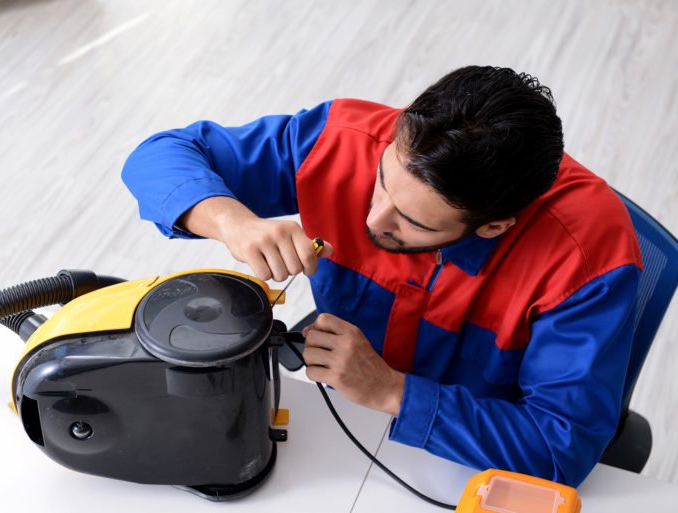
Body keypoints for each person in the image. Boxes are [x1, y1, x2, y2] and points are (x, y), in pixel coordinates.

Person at [121, 66, 642, 487]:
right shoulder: (343, 140)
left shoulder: (589, 260)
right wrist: (233, 221)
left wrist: (393, 392)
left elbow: (559, 448)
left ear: (493, 226)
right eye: (382, 180)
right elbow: (159, 155)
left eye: (413, 222)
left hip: (470, 462)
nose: (373, 219)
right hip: (345, 431)